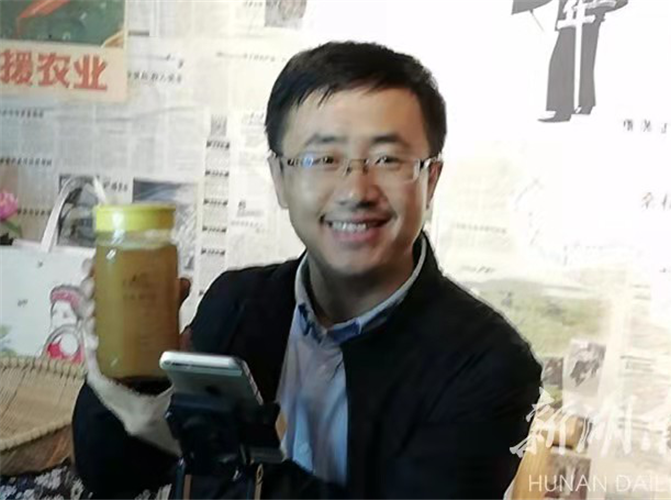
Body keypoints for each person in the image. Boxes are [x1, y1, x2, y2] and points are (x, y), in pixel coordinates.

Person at [73, 41, 542, 499]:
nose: (356, 191)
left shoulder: (491, 365)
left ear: (430, 179)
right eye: (323, 159)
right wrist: (130, 380)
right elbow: (113, 474)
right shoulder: (238, 301)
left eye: (388, 159)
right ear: (279, 179)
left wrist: (216, 448)